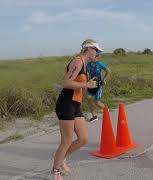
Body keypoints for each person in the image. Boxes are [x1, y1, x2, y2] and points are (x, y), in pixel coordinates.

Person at [51, 39, 103, 180]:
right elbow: (66, 82)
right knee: (66, 141)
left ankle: (60, 158)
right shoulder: (78, 61)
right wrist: (86, 84)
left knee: (83, 139)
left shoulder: (85, 65)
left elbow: (78, 84)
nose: (98, 53)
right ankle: (55, 170)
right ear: (88, 49)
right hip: (66, 103)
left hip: (75, 104)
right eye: (96, 50)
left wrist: (90, 85)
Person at [86, 53, 110, 122]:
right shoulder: (88, 65)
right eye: (90, 57)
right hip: (91, 84)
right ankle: (94, 116)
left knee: (97, 102)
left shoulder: (99, 64)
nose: (90, 58)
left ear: (96, 57)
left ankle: (106, 110)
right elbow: (87, 74)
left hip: (98, 85)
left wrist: (104, 79)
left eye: (92, 56)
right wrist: (86, 83)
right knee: (89, 98)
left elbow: (108, 71)